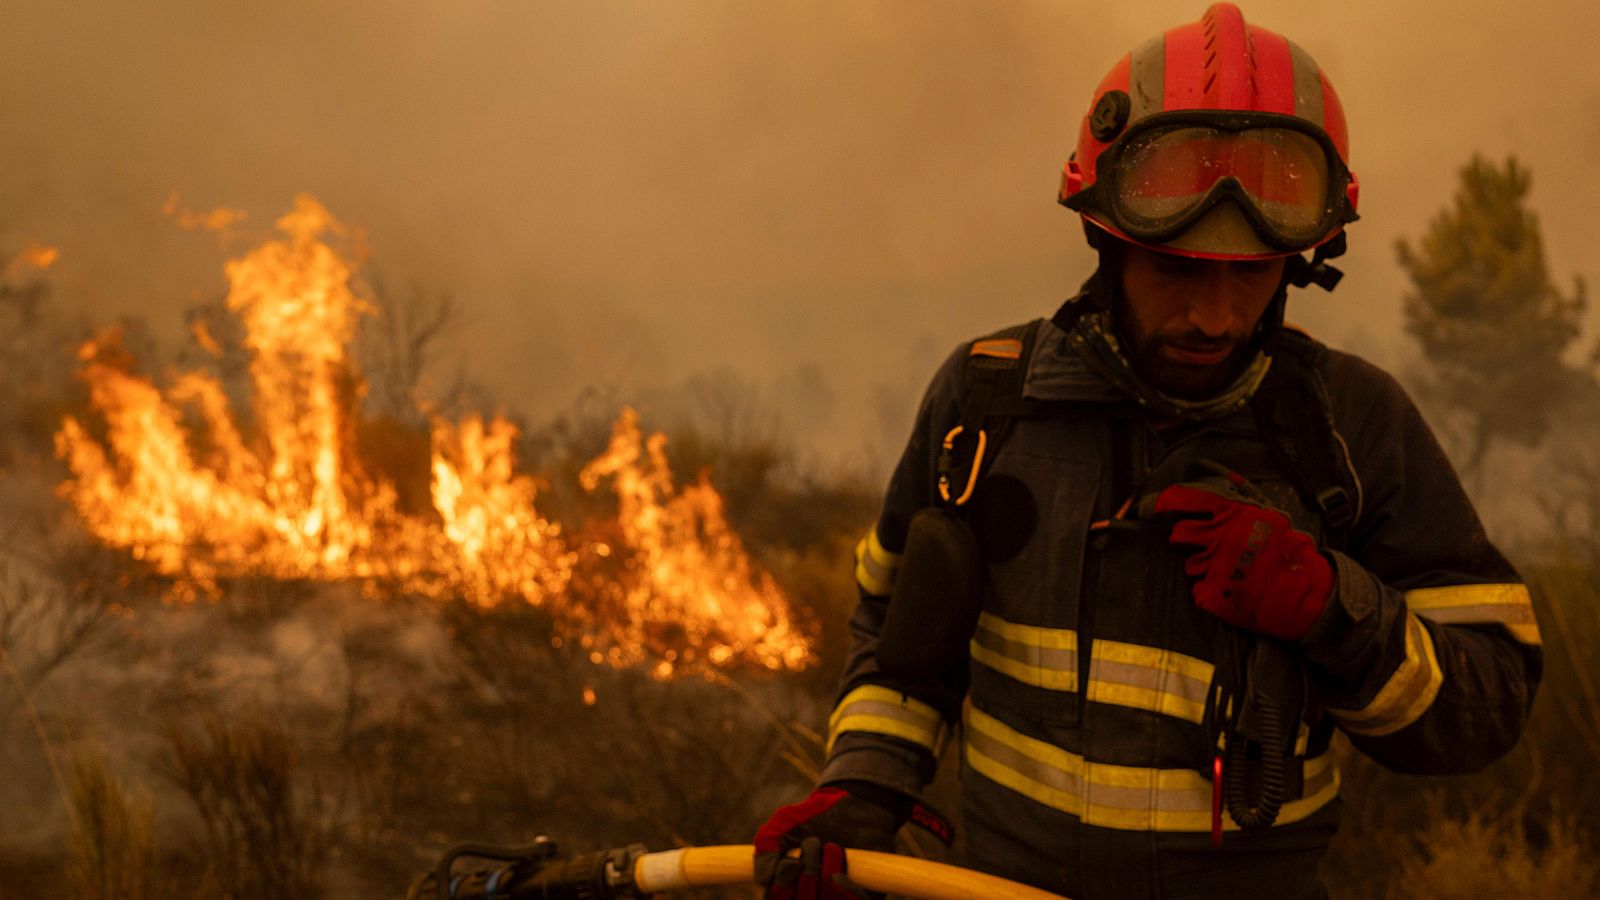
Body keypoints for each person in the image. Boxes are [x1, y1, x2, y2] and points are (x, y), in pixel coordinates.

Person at [751, 4, 1543, 899]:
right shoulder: (985, 406)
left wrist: (1334, 610)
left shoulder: (1352, 430)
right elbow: (894, 639)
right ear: (1106, 239)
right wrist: (864, 785)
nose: (1214, 316)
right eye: (1177, 268)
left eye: (1250, 273)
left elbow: (1490, 702)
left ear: (1302, 261)